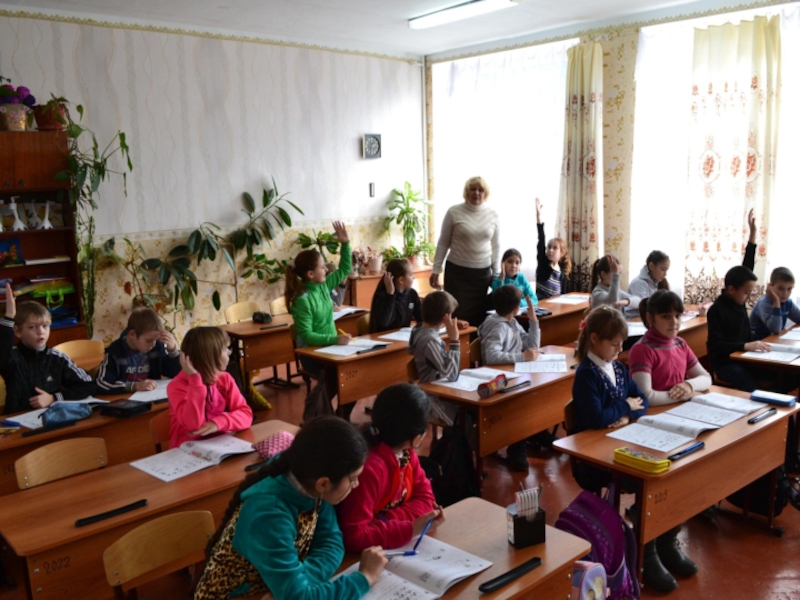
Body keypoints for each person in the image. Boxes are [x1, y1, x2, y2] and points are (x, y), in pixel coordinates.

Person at [193, 417, 387, 600]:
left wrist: (297, 583)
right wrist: (364, 579)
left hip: (267, 587)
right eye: (353, 478)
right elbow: (302, 596)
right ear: (323, 484)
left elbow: (332, 542)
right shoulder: (268, 515)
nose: (357, 485)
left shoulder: (311, 478)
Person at [627, 290, 709, 592]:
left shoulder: (680, 344)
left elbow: (706, 378)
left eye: (677, 315)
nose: (674, 322)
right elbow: (646, 397)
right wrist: (682, 394)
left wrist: (688, 385)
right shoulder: (642, 349)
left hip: (680, 424)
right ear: (651, 318)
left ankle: (667, 543)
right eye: (666, 316)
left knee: (683, 482)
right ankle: (647, 552)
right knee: (658, 487)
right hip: (648, 429)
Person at [336, 383, 444, 552]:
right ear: (417, 438)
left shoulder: (407, 454)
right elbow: (354, 536)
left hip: (384, 546)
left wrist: (383, 521)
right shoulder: (368, 469)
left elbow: (426, 500)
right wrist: (411, 528)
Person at [571, 306, 648, 490]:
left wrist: (627, 416)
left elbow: (642, 399)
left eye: (622, 343)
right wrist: (626, 406)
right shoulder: (587, 374)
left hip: (618, 441)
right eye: (614, 344)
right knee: (642, 477)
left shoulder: (618, 368)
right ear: (594, 339)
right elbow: (597, 418)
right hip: (593, 456)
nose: (620, 349)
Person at [285, 221, 352, 417]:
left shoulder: (323, 285)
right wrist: (334, 339)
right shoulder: (302, 300)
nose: (326, 270)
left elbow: (344, 269)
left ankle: (340, 418)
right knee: (339, 377)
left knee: (354, 375)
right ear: (310, 274)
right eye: (322, 267)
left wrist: (345, 244)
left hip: (330, 349)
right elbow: (307, 335)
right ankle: (316, 415)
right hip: (312, 354)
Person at [0, 281, 95, 414]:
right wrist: (9, 317)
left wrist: (54, 398)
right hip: (17, 419)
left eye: (45, 326)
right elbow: (2, 354)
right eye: (32, 327)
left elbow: (88, 385)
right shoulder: (12, 357)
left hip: (51, 417)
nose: (41, 332)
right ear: (18, 331)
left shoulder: (56, 358)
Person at [477, 285, 542, 470]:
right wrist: (522, 357)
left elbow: (532, 346)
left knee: (538, 390)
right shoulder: (498, 327)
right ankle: (516, 447)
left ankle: (539, 431)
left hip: (512, 373)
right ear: (516, 308)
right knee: (524, 399)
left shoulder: (512, 322)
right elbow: (491, 356)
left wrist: (533, 321)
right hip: (497, 379)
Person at [429, 176, 500, 327]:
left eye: (480, 190)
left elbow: (496, 246)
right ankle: (456, 342)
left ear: (485, 193)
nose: (477, 193)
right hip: (457, 275)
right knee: (456, 315)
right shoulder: (453, 212)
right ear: (467, 192)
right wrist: (436, 269)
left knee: (478, 317)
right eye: (473, 189)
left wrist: (496, 272)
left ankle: (475, 343)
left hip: (481, 276)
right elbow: (443, 243)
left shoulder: (493, 215)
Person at [167, 326, 253, 448]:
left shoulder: (225, 378)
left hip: (219, 445)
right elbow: (193, 425)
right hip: (186, 450)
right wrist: (195, 383)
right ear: (210, 357)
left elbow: (246, 415)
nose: (229, 352)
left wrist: (218, 423)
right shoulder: (176, 386)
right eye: (225, 348)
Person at [706, 266, 771, 392]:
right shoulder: (716, 310)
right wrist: (745, 346)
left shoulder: (739, 303)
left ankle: (777, 399)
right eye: (747, 292)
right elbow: (715, 344)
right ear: (731, 289)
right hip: (726, 364)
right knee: (754, 388)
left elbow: (745, 333)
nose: (749, 297)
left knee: (785, 375)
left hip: (745, 358)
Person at [96, 307, 181, 393]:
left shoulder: (157, 347)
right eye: (149, 340)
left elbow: (175, 374)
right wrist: (134, 386)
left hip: (150, 395)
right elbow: (102, 383)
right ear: (132, 334)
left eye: (156, 340)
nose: (153, 344)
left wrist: (172, 350)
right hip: (125, 398)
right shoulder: (115, 351)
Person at [407, 291, 461, 425]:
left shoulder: (421, 330)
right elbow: (451, 374)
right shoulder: (429, 341)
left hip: (440, 390)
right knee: (465, 415)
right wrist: (454, 340)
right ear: (445, 318)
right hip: (432, 397)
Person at [369, 258, 421, 333]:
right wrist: (390, 295)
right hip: (383, 337)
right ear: (401, 280)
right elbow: (384, 322)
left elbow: (422, 318)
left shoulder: (412, 294)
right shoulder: (382, 295)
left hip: (403, 337)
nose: (414, 277)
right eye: (411, 274)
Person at [534, 198, 572, 299]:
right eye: (549, 247)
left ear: (562, 253)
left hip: (556, 304)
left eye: (555, 248)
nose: (550, 250)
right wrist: (539, 217)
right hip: (541, 303)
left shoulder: (562, 270)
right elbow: (541, 239)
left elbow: (563, 292)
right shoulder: (543, 263)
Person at [750, 267, 800, 340]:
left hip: (773, 341)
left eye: (789, 289)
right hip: (758, 342)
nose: (785, 293)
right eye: (781, 288)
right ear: (770, 286)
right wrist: (776, 302)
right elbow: (775, 329)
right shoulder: (764, 303)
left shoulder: (788, 302)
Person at [625, 250, 670, 317]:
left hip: (647, 318)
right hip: (634, 318)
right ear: (651, 266)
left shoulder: (657, 282)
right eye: (663, 269)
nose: (665, 274)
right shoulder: (639, 283)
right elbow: (643, 307)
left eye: (666, 270)